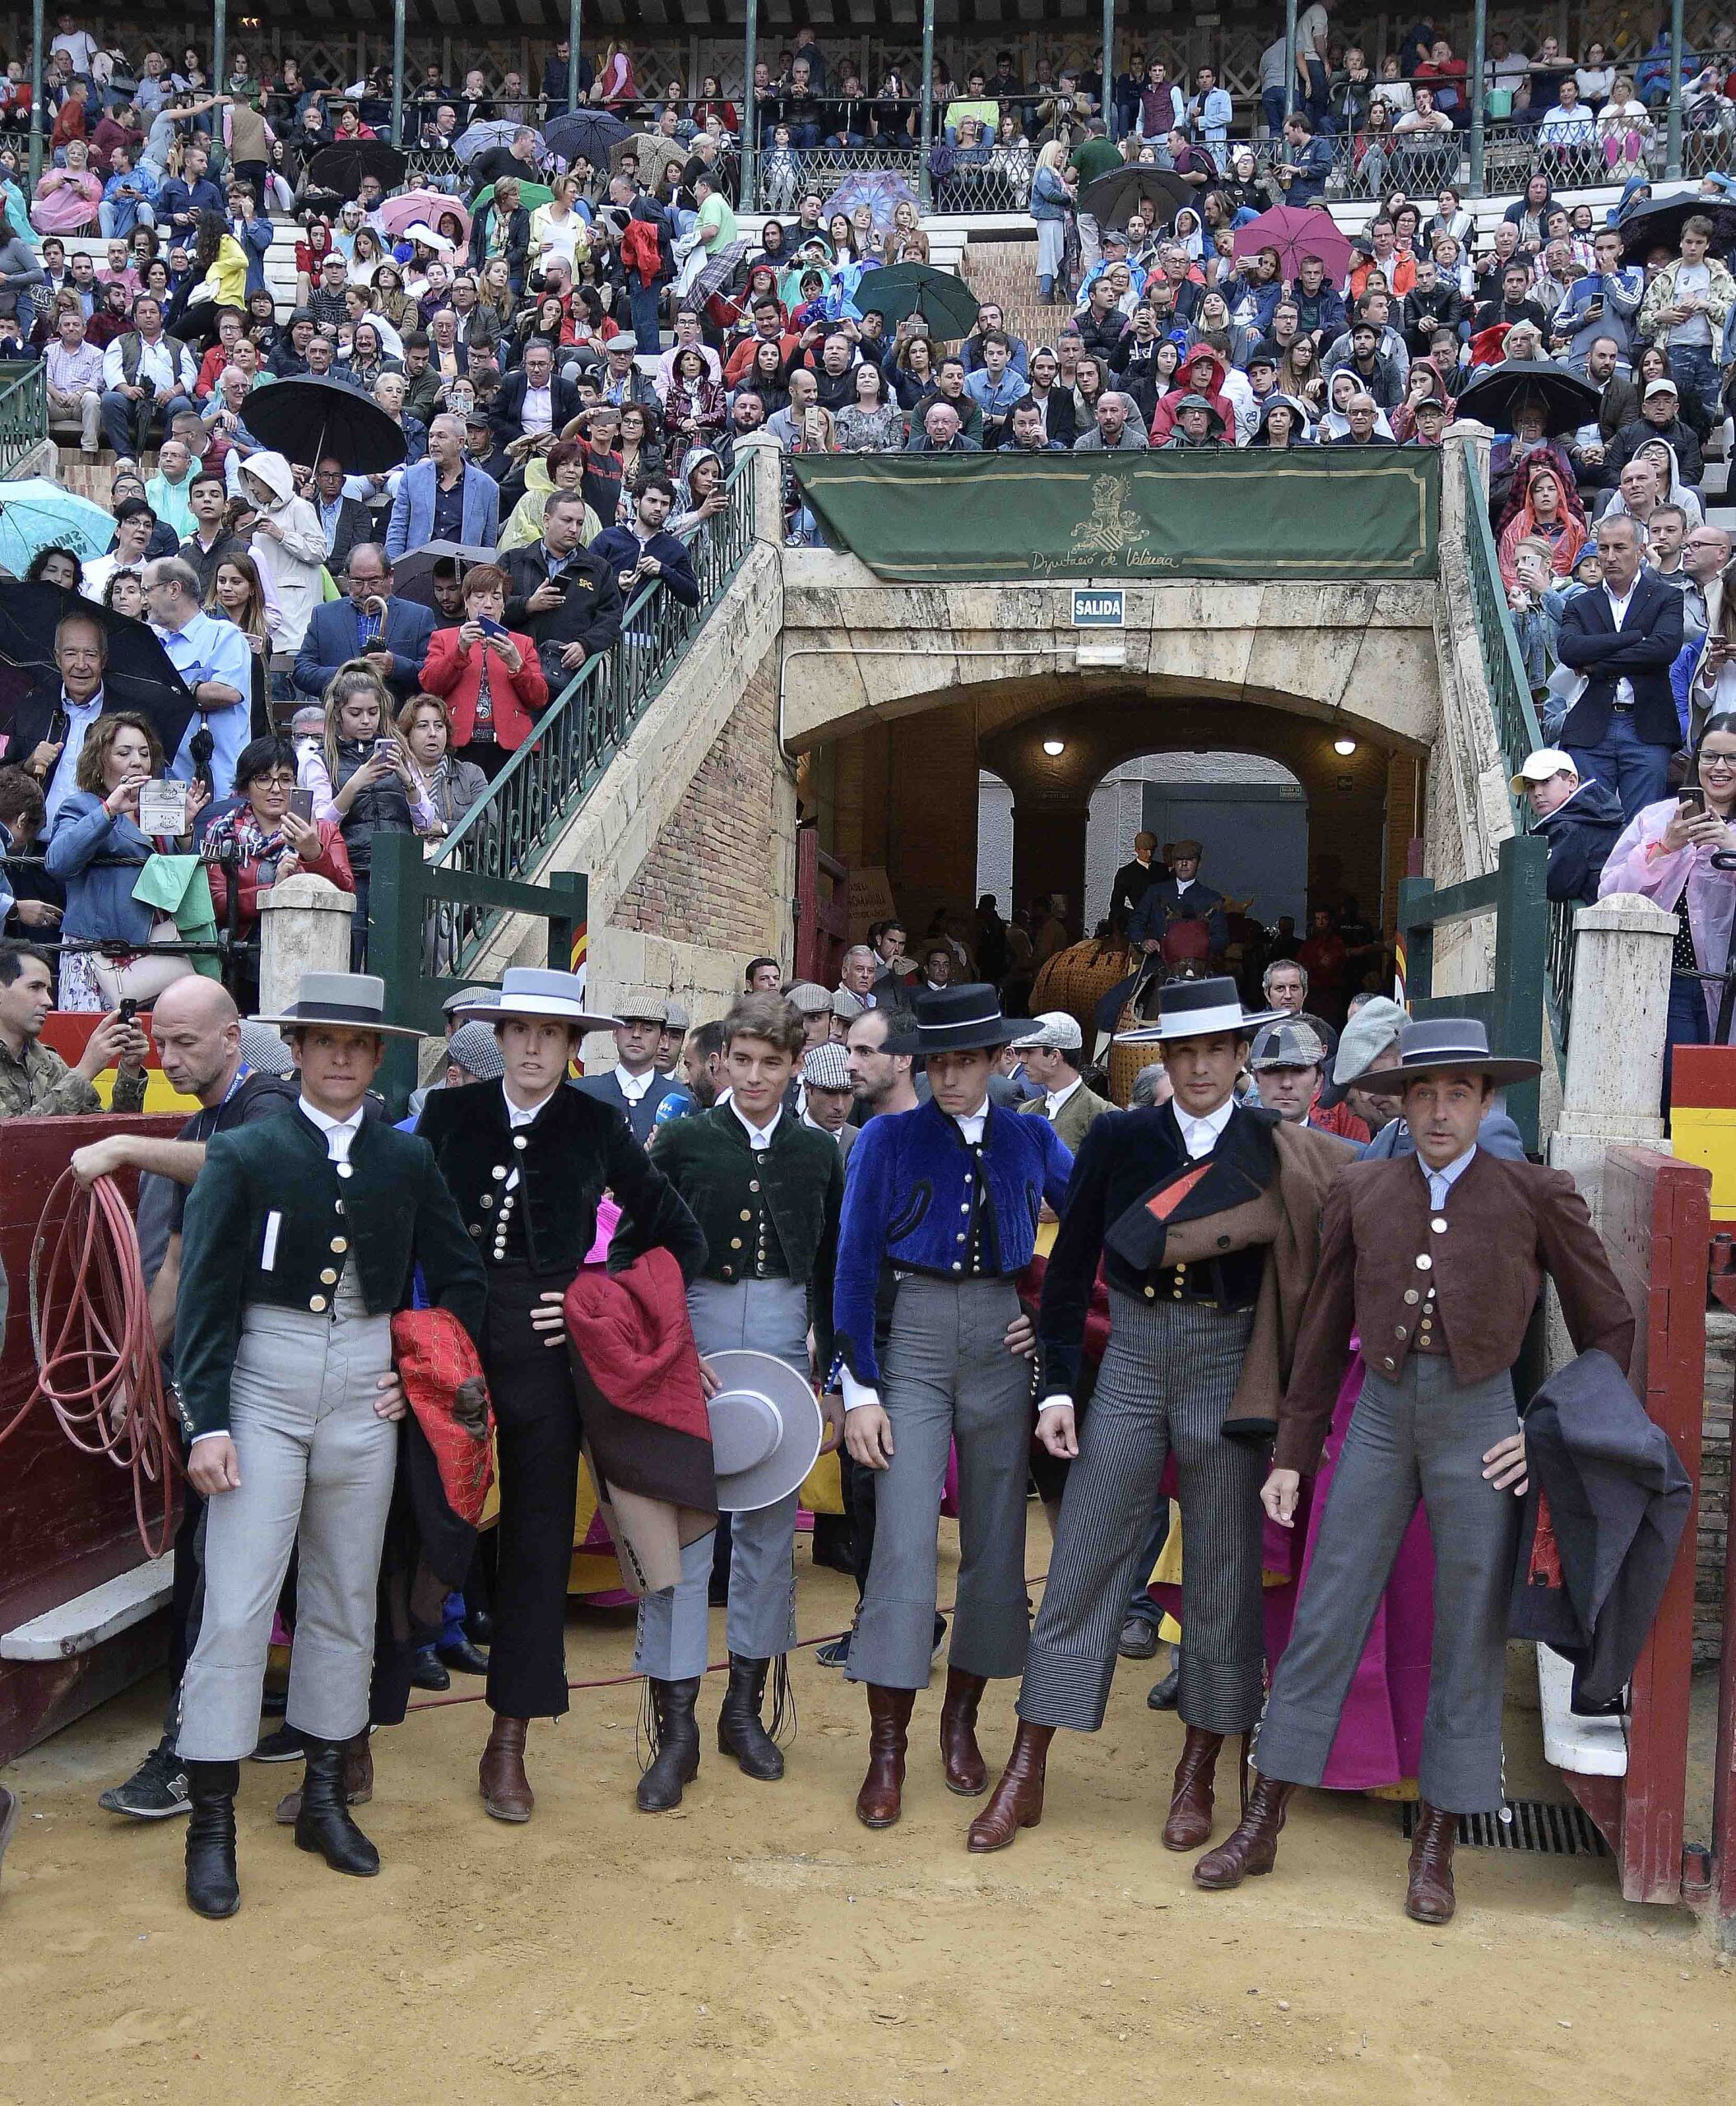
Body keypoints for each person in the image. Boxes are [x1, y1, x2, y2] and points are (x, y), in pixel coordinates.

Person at [1195, 1018, 1633, 1924]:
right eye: (1423, 1094)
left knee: (1467, 1628)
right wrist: (1291, 1455)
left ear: (1485, 1101)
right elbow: (1322, 1333)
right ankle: (1263, 1817)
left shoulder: (1534, 1193)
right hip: (1379, 1422)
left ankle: (1437, 1843)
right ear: (1399, 1102)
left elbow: (1610, 1327)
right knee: (1325, 1612)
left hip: (1480, 1428)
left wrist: (1548, 1430)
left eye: (1457, 1094)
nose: (1438, 1112)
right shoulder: (1363, 1189)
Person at [171, 972, 485, 1918]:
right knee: (237, 1600)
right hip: (263, 1379)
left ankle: (322, 1798)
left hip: (365, 1385)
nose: (341, 1057)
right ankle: (211, 1826)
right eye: (324, 1042)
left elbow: (460, 1277)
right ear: (300, 1051)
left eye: (357, 1044)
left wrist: (423, 1371)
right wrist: (207, 1421)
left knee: (347, 1594)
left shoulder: (405, 1157)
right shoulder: (248, 1149)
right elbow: (204, 1299)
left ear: (376, 1056)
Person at [418, 969, 703, 1823]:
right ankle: (358, 1727)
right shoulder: (448, 1115)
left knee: (537, 1543)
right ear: (500, 1037)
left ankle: (508, 1740)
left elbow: (676, 1234)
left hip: (545, 1356)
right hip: (452, 1348)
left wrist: (593, 1295)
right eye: (521, 1031)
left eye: (552, 1033)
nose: (535, 1047)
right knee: (414, 1527)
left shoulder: (595, 1124)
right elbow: (397, 1226)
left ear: (573, 1046)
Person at [836, 984, 1073, 1829]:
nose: (949, 1077)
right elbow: (853, 1262)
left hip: (1003, 1339)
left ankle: (962, 1718)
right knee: (903, 1540)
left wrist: (1046, 1313)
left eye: (965, 1061)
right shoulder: (887, 1137)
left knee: (998, 1540)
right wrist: (859, 1387)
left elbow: (1095, 1225)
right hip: (916, 1337)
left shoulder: (1030, 1135)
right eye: (937, 1061)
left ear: (996, 1060)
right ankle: (887, 1746)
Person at [74, 980, 300, 1821]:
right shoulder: (200, 1127)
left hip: (286, 1379)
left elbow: (249, 1163)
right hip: (228, 1382)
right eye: (160, 1043)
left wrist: (125, 1144)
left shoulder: (269, 1107)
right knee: (210, 1559)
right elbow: (174, 1266)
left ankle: (225, 1748)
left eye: (185, 1043)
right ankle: (206, 1740)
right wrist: (136, 1370)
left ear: (233, 1038)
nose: (168, 1060)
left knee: (252, 1565)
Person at [615, 993, 844, 1810]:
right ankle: (674, 1727)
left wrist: (831, 1369)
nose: (753, 1077)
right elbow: (633, 1254)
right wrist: (668, 1345)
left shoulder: (817, 1152)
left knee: (768, 1538)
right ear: (720, 1061)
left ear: (794, 1066)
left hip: (782, 1348)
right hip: (694, 1342)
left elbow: (832, 1266)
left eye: (770, 1063)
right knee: (682, 1534)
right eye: (740, 1061)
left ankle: (743, 1709)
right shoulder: (682, 1139)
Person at [1599, 712, 1736, 1104]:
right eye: (1710, 756)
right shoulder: (1656, 818)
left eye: (1732, 758)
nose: (1720, 768)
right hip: (1664, 974)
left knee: (1716, 1094)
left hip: (1726, 980)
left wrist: (1730, 848)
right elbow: (1610, 893)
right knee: (1673, 1084)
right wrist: (1665, 847)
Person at [44, 710, 207, 1012]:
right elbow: (58, 862)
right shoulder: (81, 806)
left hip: (151, 952)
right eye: (124, 753)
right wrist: (108, 811)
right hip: (96, 951)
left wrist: (184, 832)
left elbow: (176, 881)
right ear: (100, 761)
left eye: (144, 753)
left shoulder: (156, 809)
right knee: (91, 1035)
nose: (137, 761)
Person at [301, 662, 436, 967]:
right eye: (356, 713)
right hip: (351, 871)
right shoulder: (321, 759)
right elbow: (321, 826)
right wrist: (353, 785)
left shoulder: (400, 753)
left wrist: (407, 780)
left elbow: (426, 821)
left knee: (396, 962)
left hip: (397, 870)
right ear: (338, 713)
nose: (366, 721)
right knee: (348, 958)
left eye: (373, 712)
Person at [202, 735, 353, 1005]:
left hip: (314, 949)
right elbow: (216, 903)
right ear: (245, 787)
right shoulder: (223, 831)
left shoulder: (323, 831)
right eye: (263, 779)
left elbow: (345, 893)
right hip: (248, 955)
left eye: (285, 779)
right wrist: (275, 892)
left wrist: (313, 853)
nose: (276, 789)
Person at [1557, 513, 1686, 821]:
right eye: (1603, 548)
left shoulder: (1666, 597)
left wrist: (1596, 665)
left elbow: (1663, 648)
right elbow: (1570, 650)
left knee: (1643, 827)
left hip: (1647, 727)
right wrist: (1631, 638)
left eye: (1620, 547)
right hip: (1590, 727)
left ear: (1640, 550)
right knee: (1590, 826)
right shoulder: (1579, 603)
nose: (1610, 557)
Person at [142, 555, 253, 800]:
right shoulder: (152, 642)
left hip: (216, 787)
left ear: (174, 589)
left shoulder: (224, 636)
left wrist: (167, 689)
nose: (143, 600)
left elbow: (228, 692)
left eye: (147, 590)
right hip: (163, 786)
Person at [0, 939, 146, 1116]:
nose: (48, 1001)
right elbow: (12, 1132)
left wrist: (130, 1070)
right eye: (35, 987)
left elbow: (101, 1130)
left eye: (47, 991)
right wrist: (84, 1071)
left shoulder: (46, 1061)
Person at [500, 490, 625, 694]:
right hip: (518, 674)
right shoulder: (514, 561)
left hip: (572, 680)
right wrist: (527, 605)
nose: (574, 529)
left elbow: (611, 619)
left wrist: (585, 645)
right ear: (546, 520)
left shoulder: (598, 569)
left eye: (579, 523)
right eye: (567, 520)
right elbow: (488, 608)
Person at [294, 545, 439, 707]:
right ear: (347, 578)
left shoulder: (418, 616)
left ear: (390, 576)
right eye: (357, 582)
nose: (366, 591)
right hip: (340, 717)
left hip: (397, 719)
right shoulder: (324, 615)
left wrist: (395, 666)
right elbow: (302, 671)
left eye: (374, 582)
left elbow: (434, 675)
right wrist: (345, 674)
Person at [1511, 748, 1625, 905]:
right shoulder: (1591, 815)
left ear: (1572, 782)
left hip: (1605, 911)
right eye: (1530, 786)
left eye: (1545, 782)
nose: (1537, 793)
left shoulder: (1570, 828)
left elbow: (1555, 886)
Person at [385, 413, 501, 562]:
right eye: (431, 436)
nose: (433, 443)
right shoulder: (411, 477)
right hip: (418, 568)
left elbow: (488, 544)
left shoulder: (487, 487)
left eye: (441, 437)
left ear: (460, 443)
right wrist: (394, 569)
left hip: (464, 571)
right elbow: (397, 529)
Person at [574, 1002, 685, 1141]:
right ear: (615, 1033)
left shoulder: (679, 1097)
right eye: (629, 1027)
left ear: (662, 1039)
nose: (636, 1035)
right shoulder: (582, 1093)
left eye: (647, 1029)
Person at [1010, 1014, 1112, 1150]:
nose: (1022, 1059)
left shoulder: (1103, 1114)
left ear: (1054, 1057)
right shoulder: (1026, 1110)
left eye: (1029, 1052)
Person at [1128, 838, 1228, 963]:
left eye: (1190, 860)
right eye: (1179, 859)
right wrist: (1143, 942)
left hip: (1196, 965)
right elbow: (1136, 922)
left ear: (1199, 864)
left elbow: (1221, 938)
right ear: (1174, 863)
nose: (1184, 864)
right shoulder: (1155, 891)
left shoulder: (1212, 898)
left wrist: (1197, 947)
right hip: (1158, 961)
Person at [1108, 830, 1167, 932]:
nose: (1149, 854)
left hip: (1163, 921)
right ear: (1137, 850)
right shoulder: (1126, 873)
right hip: (1139, 924)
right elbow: (1116, 905)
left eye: (1152, 850)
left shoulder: (1162, 869)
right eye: (1146, 850)